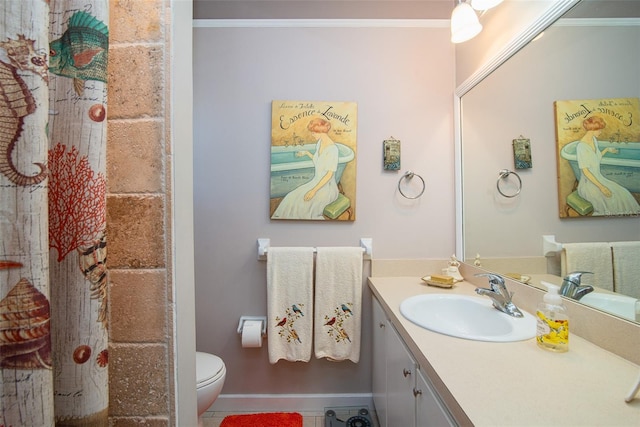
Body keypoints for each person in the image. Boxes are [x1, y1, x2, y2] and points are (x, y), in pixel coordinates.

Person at [272, 117, 340, 220]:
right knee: (291, 196)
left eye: (313, 132)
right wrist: (307, 153)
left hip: (326, 188)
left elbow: (329, 175)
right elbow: (319, 162)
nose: (312, 135)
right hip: (315, 182)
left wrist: (313, 191)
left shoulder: (333, 150)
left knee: (303, 205)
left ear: (320, 132)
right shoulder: (319, 143)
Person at [574, 116, 640, 216]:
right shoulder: (581, 147)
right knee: (610, 200)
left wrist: (607, 150)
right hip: (588, 184)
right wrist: (602, 187)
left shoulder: (594, 140)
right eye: (599, 129)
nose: (601, 132)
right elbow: (586, 172)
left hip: (599, 179)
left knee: (623, 192)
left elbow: (596, 158)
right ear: (592, 129)